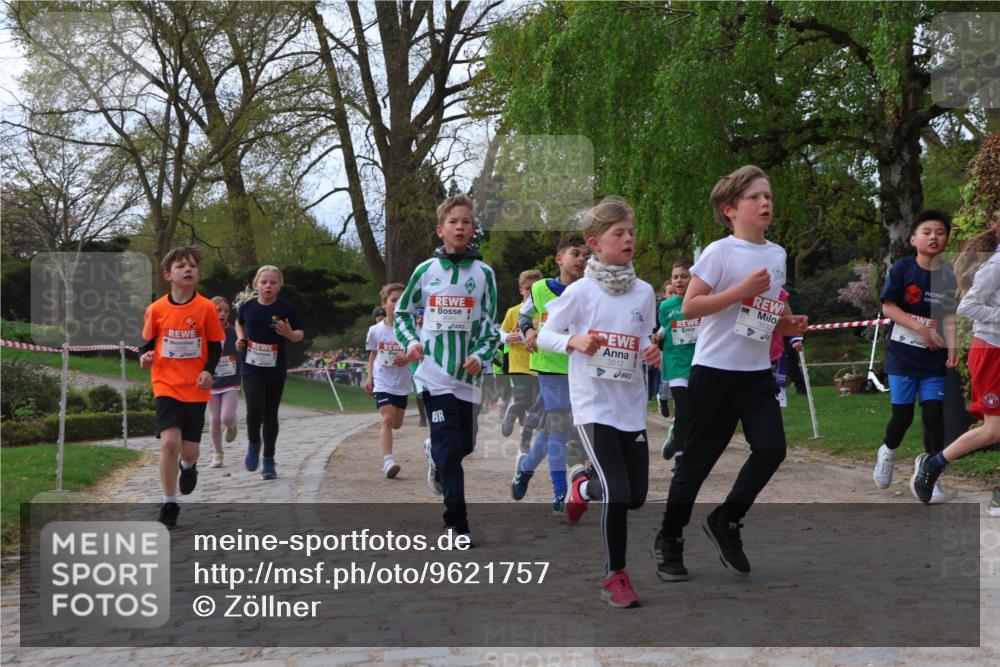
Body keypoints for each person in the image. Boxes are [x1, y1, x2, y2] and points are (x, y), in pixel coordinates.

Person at [654, 165, 808, 581]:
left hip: (756, 373)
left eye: (768, 197)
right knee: (696, 466)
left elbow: (763, 311)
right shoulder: (719, 252)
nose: (765, 204)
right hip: (715, 373)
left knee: (772, 450)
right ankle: (669, 538)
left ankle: (726, 520)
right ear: (730, 209)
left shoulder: (776, 254)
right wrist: (742, 290)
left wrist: (785, 325)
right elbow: (690, 307)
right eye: (755, 197)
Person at [537, 197, 659, 608]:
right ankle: (615, 576)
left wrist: (650, 352)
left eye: (631, 233)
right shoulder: (580, 292)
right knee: (619, 492)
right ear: (595, 242)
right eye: (618, 234)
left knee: (636, 495)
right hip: (593, 407)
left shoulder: (644, 292)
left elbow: (642, 339)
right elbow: (543, 334)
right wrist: (574, 340)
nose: (628, 240)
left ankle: (581, 487)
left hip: (630, 407)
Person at [395, 194, 500, 544]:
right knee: (449, 447)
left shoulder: (484, 273)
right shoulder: (426, 271)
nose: (460, 226)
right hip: (432, 374)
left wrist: (482, 356)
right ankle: (457, 524)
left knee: (463, 445)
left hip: (468, 376)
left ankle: (435, 457)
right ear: (441, 230)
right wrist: (412, 343)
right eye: (453, 222)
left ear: (473, 229)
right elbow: (403, 313)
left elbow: (489, 325)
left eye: (466, 221)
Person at [910, 226, 1000, 515]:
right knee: (993, 430)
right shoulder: (996, 265)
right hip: (990, 352)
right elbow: (968, 306)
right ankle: (932, 465)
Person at [872, 210, 958, 501]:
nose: (934, 237)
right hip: (903, 357)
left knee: (934, 416)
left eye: (940, 232)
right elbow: (889, 308)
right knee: (903, 415)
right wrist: (921, 329)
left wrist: (953, 348)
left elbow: (948, 315)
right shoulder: (902, 269)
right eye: (927, 232)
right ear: (913, 239)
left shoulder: (948, 274)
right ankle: (888, 452)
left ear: (946, 239)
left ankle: (929, 474)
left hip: (934, 358)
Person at [139, 246, 225, 529]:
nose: (187, 269)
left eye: (192, 266)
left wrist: (208, 371)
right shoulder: (156, 309)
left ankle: (188, 467)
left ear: (197, 274)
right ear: (168, 275)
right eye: (181, 266)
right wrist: (146, 356)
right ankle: (169, 502)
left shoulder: (206, 308)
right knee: (169, 443)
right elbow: (147, 343)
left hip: (195, 386)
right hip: (165, 383)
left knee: (188, 451)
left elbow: (214, 345)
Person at [513, 234, 590, 512]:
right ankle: (560, 492)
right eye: (575, 254)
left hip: (581, 368)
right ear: (559, 259)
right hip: (550, 369)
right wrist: (530, 330)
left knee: (551, 434)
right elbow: (523, 317)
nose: (581, 260)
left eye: (585, 256)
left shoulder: (590, 290)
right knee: (558, 429)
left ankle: (525, 468)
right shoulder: (541, 289)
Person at [235, 265, 304, 481]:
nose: (268, 286)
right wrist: (240, 338)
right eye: (264, 282)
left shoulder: (286, 309)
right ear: (256, 284)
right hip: (251, 366)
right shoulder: (248, 306)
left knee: (270, 414)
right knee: (254, 408)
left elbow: (299, 335)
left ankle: (268, 460)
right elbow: (239, 322)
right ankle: (254, 444)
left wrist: (289, 333)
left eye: (273, 282)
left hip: (275, 368)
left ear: (279, 286)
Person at [365, 283, 412, 479]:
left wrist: (407, 358)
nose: (397, 304)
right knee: (387, 419)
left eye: (402, 300)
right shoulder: (375, 331)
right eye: (393, 300)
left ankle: (387, 436)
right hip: (382, 381)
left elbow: (418, 352)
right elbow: (373, 354)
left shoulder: (411, 330)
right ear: (384, 304)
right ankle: (388, 461)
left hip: (401, 383)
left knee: (397, 423)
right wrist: (369, 377)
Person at [657, 260, 697, 462]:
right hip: (675, 362)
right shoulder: (665, 305)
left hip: (697, 361)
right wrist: (659, 335)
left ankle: (676, 436)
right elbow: (665, 326)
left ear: (693, 278)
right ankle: (681, 453)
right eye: (676, 277)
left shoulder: (701, 301)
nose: (679, 281)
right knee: (682, 405)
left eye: (684, 276)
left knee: (695, 409)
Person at [499, 270, 543, 448]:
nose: (531, 292)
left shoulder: (544, 311)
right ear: (520, 290)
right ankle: (513, 411)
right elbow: (500, 332)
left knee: (536, 406)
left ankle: (525, 439)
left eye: (535, 288)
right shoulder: (513, 312)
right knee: (524, 401)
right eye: (527, 288)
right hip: (519, 365)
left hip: (540, 365)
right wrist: (507, 337)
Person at [207, 296, 241, 468]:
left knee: (226, 416)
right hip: (211, 382)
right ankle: (217, 453)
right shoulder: (204, 331)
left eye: (226, 311)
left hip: (231, 381)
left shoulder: (234, 331)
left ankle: (231, 425)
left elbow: (245, 346)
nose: (222, 314)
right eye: (218, 310)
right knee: (214, 420)